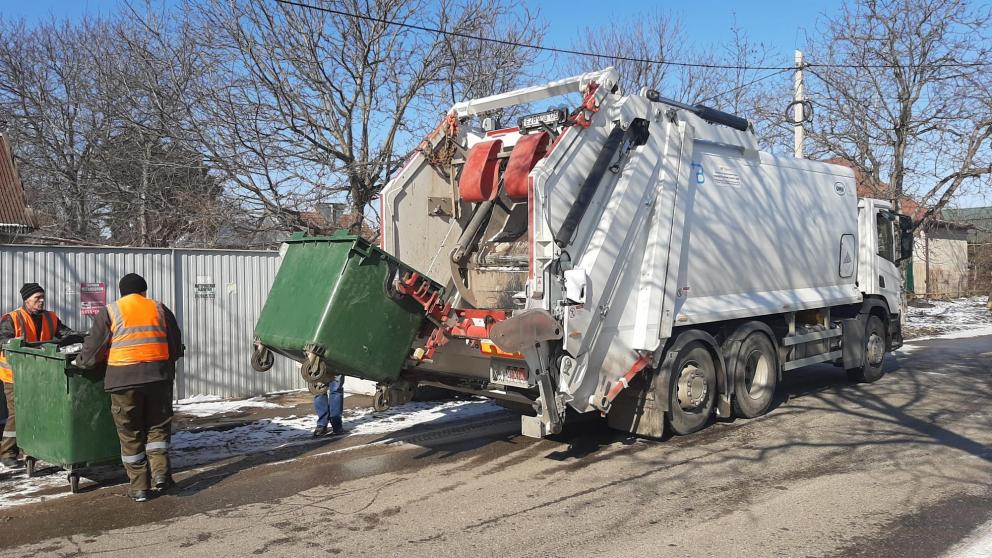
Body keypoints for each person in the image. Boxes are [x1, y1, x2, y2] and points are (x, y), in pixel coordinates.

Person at [76, 273, 184, 503]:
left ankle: (140, 487)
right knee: (158, 428)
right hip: (159, 379)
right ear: (144, 291)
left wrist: (82, 362)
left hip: (123, 381)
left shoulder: (111, 311)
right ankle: (162, 475)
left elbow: (92, 353)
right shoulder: (159, 308)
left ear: (122, 292)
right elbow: (175, 346)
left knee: (130, 433)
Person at [0, 283, 73, 468]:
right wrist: (17, 343)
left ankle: (32, 448)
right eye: (37, 298)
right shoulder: (11, 318)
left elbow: (66, 333)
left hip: (39, 374)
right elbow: (2, 340)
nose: (41, 301)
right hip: (14, 376)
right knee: (18, 413)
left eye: (43, 297)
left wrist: (77, 337)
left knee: (38, 411)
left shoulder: (50, 317)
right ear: (26, 300)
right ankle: (7, 453)